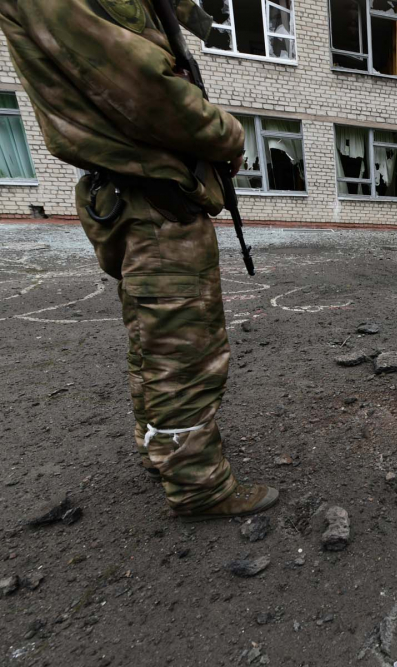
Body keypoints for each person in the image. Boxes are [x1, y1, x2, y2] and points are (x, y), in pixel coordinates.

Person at [0, 0, 278, 521]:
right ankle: (198, 487)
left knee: (152, 341)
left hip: (140, 196)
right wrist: (230, 135)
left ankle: (163, 448)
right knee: (184, 351)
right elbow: (148, 91)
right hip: (154, 202)